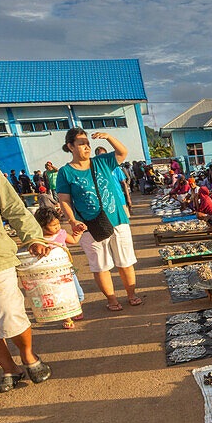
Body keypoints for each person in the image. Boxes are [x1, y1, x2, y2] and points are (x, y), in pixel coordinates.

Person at [0, 158, 52, 391]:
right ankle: (10, 369)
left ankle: (28, 356)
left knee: (9, 313)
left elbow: (12, 206)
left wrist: (32, 238)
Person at [56, 129, 142, 312]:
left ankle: (131, 294)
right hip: (88, 225)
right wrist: (72, 221)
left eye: (87, 143)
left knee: (125, 260)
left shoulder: (101, 162)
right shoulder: (65, 172)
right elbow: (64, 200)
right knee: (100, 264)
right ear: (70, 146)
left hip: (117, 218)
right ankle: (111, 300)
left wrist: (109, 137)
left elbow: (122, 153)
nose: (86, 146)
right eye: (81, 143)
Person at [33, 206, 85, 329]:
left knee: (79, 295)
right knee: (59, 297)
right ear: (42, 225)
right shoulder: (38, 241)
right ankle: (67, 317)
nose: (57, 227)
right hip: (50, 275)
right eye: (53, 225)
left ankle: (75, 309)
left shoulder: (61, 234)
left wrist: (79, 232)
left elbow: (73, 239)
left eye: (58, 224)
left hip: (67, 270)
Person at [95, 145, 132, 215]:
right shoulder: (97, 171)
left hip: (120, 200)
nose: (101, 157)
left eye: (103, 155)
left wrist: (128, 198)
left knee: (124, 223)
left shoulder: (116, 168)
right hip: (106, 203)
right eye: (98, 155)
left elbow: (123, 183)